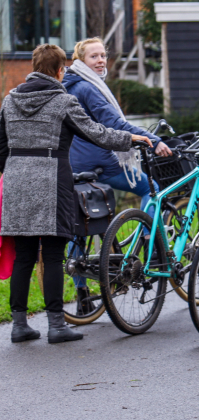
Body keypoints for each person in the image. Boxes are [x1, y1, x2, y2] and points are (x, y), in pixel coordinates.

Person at [0, 44, 152, 344]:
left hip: (16, 182)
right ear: (60, 71)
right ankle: (57, 325)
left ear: (33, 65)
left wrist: (15, 169)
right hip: (52, 178)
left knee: (24, 256)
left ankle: (19, 325)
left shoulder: (9, 101)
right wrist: (131, 138)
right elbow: (96, 133)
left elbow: (1, 146)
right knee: (54, 254)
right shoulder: (62, 101)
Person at [63, 38, 171, 313]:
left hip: (71, 165)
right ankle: (150, 245)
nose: (100, 61)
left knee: (79, 227)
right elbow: (115, 124)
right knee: (151, 188)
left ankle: (83, 297)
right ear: (80, 61)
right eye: (93, 57)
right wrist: (152, 139)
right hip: (100, 161)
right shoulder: (89, 88)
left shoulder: (67, 86)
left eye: (103, 55)